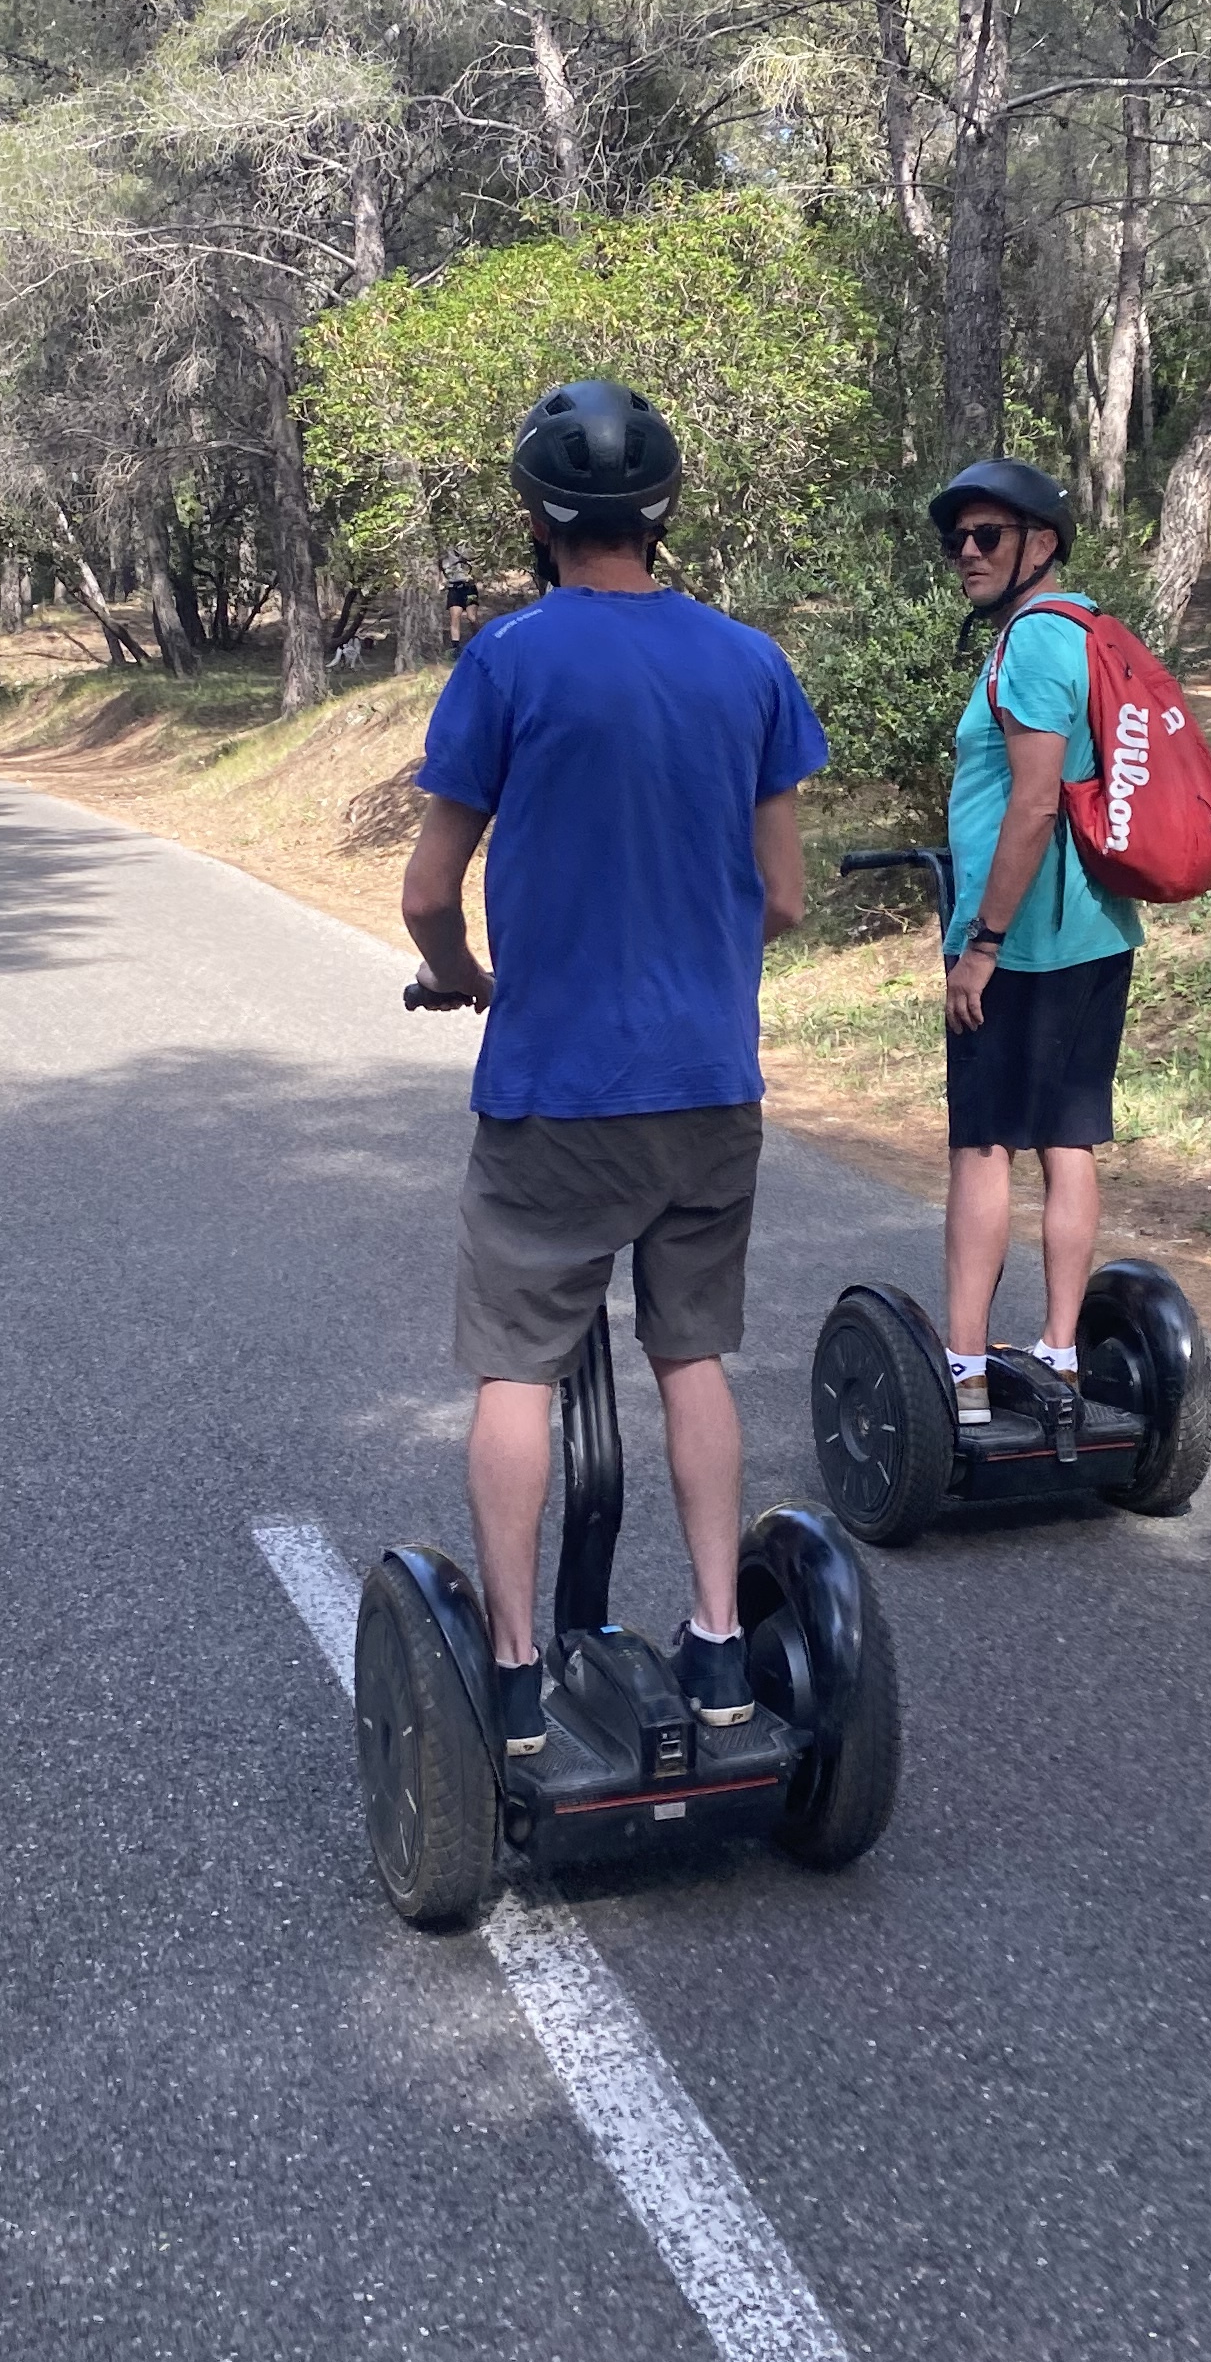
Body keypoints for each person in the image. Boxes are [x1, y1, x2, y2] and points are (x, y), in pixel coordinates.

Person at [402, 379, 829, 1757]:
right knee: (691, 1355)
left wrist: (464, 978)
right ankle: (715, 1648)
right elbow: (784, 897)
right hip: (710, 1084)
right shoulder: (752, 665)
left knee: (518, 1371)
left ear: (537, 514)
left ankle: (518, 1679)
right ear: (663, 511)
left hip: (556, 1092)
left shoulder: (509, 663)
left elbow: (426, 894)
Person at [928, 457, 1140, 1429]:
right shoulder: (1084, 635)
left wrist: (981, 943)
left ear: (1039, 544)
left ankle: (964, 1369)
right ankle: (1059, 1353)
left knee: (983, 1147)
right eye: (957, 539)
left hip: (1019, 948)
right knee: (1067, 1138)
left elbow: (1035, 803)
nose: (965, 553)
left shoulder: (1033, 645)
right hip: (1095, 936)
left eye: (986, 537)